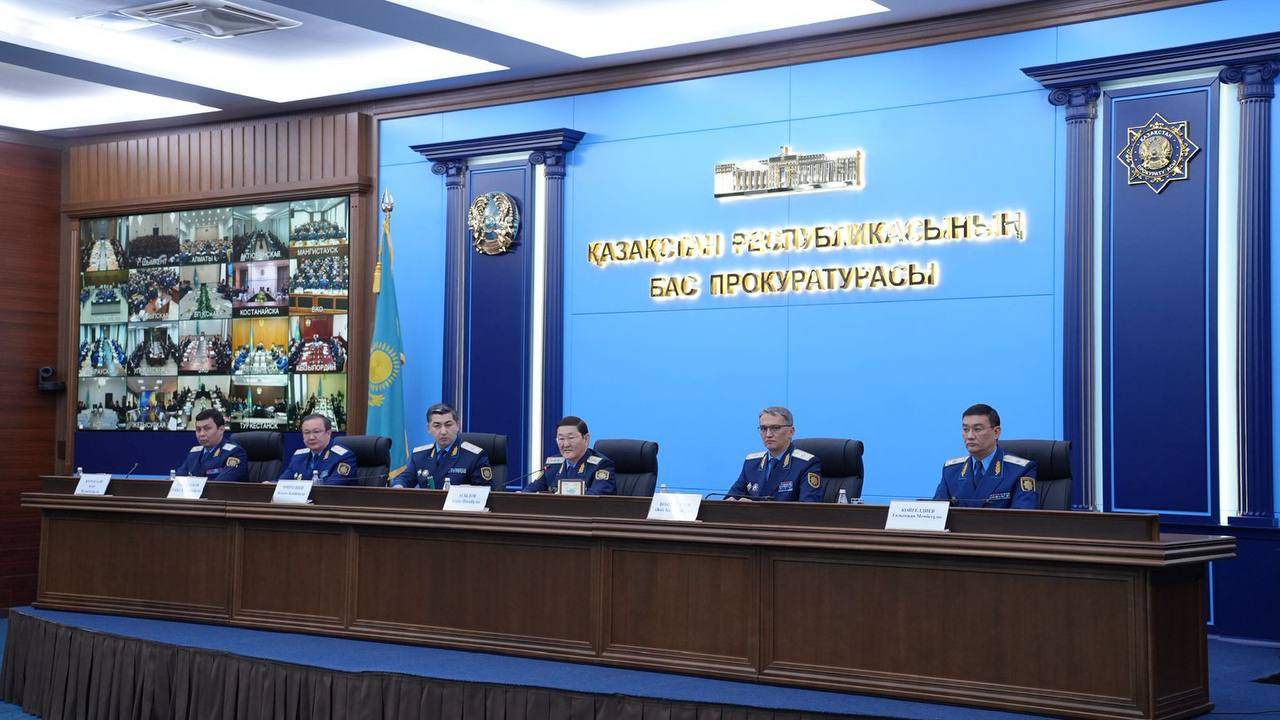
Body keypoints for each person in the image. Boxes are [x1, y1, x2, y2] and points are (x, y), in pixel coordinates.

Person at [933, 403, 1038, 509]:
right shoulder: (951, 471)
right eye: (965, 429)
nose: (970, 436)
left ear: (996, 432)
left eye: (977, 429)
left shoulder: (1019, 470)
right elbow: (936, 513)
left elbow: (1023, 515)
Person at [727, 406, 822, 501]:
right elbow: (730, 498)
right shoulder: (752, 463)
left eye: (775, 428)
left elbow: (808, 507)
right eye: (763, 428)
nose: (768, 434)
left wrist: (753, 508)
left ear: (791, 432)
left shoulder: (806, 464)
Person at [393, 403, 493, 489]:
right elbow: (404, 478)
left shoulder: (474, 456)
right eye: (437, 426)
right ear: (428, 428)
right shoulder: (420, 456)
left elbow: (484, 492)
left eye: (448, 425)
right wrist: (399, 486)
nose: (443, 431)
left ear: (458, 425)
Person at [524, 416, 615, 495]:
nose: (566, 444)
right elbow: (530, 491)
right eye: (561, 439)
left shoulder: (601, 466)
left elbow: (594, 499)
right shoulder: (553, 464)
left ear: (586, 439)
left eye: (571, 438)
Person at [278, 413, 356, 484]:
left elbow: (332, 489)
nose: (311, 437)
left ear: (328, 433)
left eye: (316, 432)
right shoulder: (298, 456)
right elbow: (281, 483)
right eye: (307, 432)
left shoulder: (343, 457)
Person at [174, 409, 247, 481]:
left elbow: (220, 484)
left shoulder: (235, 453)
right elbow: (179, 480)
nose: (201, 434)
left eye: (207, 429)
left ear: (221, 430)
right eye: (198, 429)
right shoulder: (194, 453)